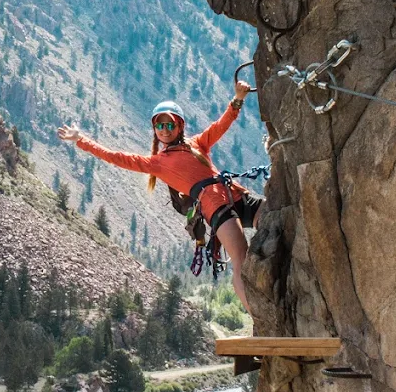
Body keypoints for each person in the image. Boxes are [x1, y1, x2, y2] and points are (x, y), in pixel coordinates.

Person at [57, 80, 259, 310]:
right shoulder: (157, 163)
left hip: (234, 194)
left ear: (180, 126)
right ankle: (259, 320)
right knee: (240, 259)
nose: (164, 130)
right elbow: (116, 157)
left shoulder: (197, 144)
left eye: (169, 125)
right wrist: (81, 140)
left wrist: (238, 99)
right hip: (216, 206)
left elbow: (220, 126)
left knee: (273, 215)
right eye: (159, 126)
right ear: (154, 129)